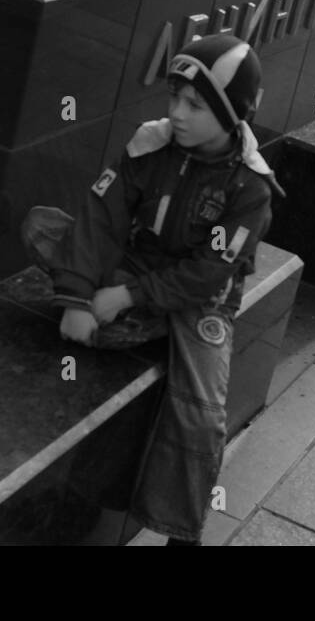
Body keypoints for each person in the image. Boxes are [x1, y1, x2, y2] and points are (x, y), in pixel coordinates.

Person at [20, 33, 282, 546]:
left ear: (232, 116)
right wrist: (77, 298)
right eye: (174, 98)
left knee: (200, 413)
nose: (178, 114)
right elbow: (101, 219)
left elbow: (209, 274)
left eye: (195, 106)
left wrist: (124, 297)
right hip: (139, 261)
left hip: (200, 297)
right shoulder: (151, 143)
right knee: (43, 227)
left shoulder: (250, 188)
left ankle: (181, 530)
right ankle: (127, 322)